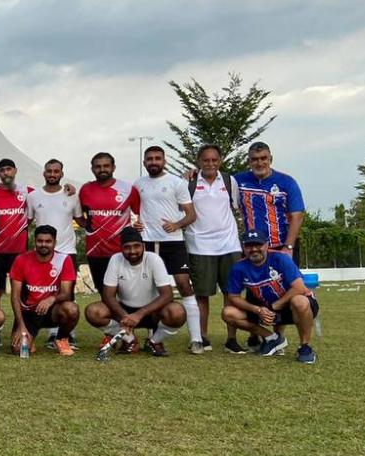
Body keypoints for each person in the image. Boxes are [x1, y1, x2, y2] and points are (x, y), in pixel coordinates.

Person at [134, 145, 201, 349]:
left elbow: (191, 214)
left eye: (157, 158)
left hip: (173, 242)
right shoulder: (138, 184)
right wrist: (136, 223)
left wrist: (177, 224)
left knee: (184, 286)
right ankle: (153, 335)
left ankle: (196, 339)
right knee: (150, 288)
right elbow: (135, 211)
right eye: (150, 159)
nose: (153, 162)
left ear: (164, 161)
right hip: (147, 241)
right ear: (144, 162)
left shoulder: (176, 183)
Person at [84, 227, 186, 357]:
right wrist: (125, 316)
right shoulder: (116, 259)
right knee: (93, 311)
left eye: (136, 246)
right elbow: (108, 296)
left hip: (151, 311)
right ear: (121, 248)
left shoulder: (153, 259)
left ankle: (154, 341)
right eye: (127, 247)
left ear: (143, 246)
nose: (132, 251)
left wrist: (139, 314)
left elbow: (167, 294)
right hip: (125, 311)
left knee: (177, 312)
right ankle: (130, 340)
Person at [185, 144, 245, 354]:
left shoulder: (229, 181)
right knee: (202, 295)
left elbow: (236, 208)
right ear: (199, 162)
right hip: (199, 246)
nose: (210, 164)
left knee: (232, 294)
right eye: (205, 160)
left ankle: (231, 338)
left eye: (214, 160)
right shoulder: (189, 182)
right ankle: (202, 337)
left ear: (220, 161)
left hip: (229, 246)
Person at [223, 231, 318, 363]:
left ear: (267, 245)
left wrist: (274, 306)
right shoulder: (239, 268)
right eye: (249, 246)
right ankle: (272, 338)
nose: (254, 249)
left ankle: (305, 346)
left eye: (258, 245)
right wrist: (258, 310)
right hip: (266, 309)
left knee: (299, 301)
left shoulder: (281, 258)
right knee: (228, 313)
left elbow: (299, 287)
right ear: (243, 248)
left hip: (290, 306)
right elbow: (233, 296)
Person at [9, 225, 80, 356]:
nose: (44, 244)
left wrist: (51, 298)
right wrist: (21, 326)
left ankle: (61, 339)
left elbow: (66, 293)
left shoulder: (64, 259)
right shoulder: (21, 260)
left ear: (55, 242)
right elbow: (15, 297)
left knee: (72, 309)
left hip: (51, 311)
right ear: (34, 241)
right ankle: (30, 338)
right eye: (40, 241)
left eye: (48, 241)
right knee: (18, 350)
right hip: (28, 313)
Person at [79, 151, 140, 295]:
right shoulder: (85, 189)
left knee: (127, 293)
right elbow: (77, 214)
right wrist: (89, 227)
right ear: (92, 169)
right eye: (98, 167)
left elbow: (139, 214)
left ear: (113, 167)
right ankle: (111, 318)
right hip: (95, 252)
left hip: (122, 252)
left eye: (106, 166)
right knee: (104, 294)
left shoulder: (127, 189)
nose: (102, 170)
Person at [236, 141, 306, 259]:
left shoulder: (287, 182)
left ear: (270, 159)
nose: (260, 163)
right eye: (255, 159)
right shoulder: (238, 181)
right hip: (251, 247)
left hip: (281, 246)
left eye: (264, 158)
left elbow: (297, 216)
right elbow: (216, 181)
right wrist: (196, 174)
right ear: (249, 162)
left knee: (288, 278)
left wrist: (288, 247)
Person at [0, 157, 33, 293]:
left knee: (21, 290)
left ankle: (20, 315)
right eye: (2, 170)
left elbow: (47, 196)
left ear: (15, 171)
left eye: (9, 169)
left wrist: (67, 189)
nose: (6, 173)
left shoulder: (27, 192)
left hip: (19, 251)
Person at [25, 159, 82, 263]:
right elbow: (24, 223)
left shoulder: (72, 195)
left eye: (56, 171)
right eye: (49, 171)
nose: (52, 174)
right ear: (44, 173)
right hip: (42, 252)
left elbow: (81, 221)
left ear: (62, 174)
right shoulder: (33, 196)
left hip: (67, 252)